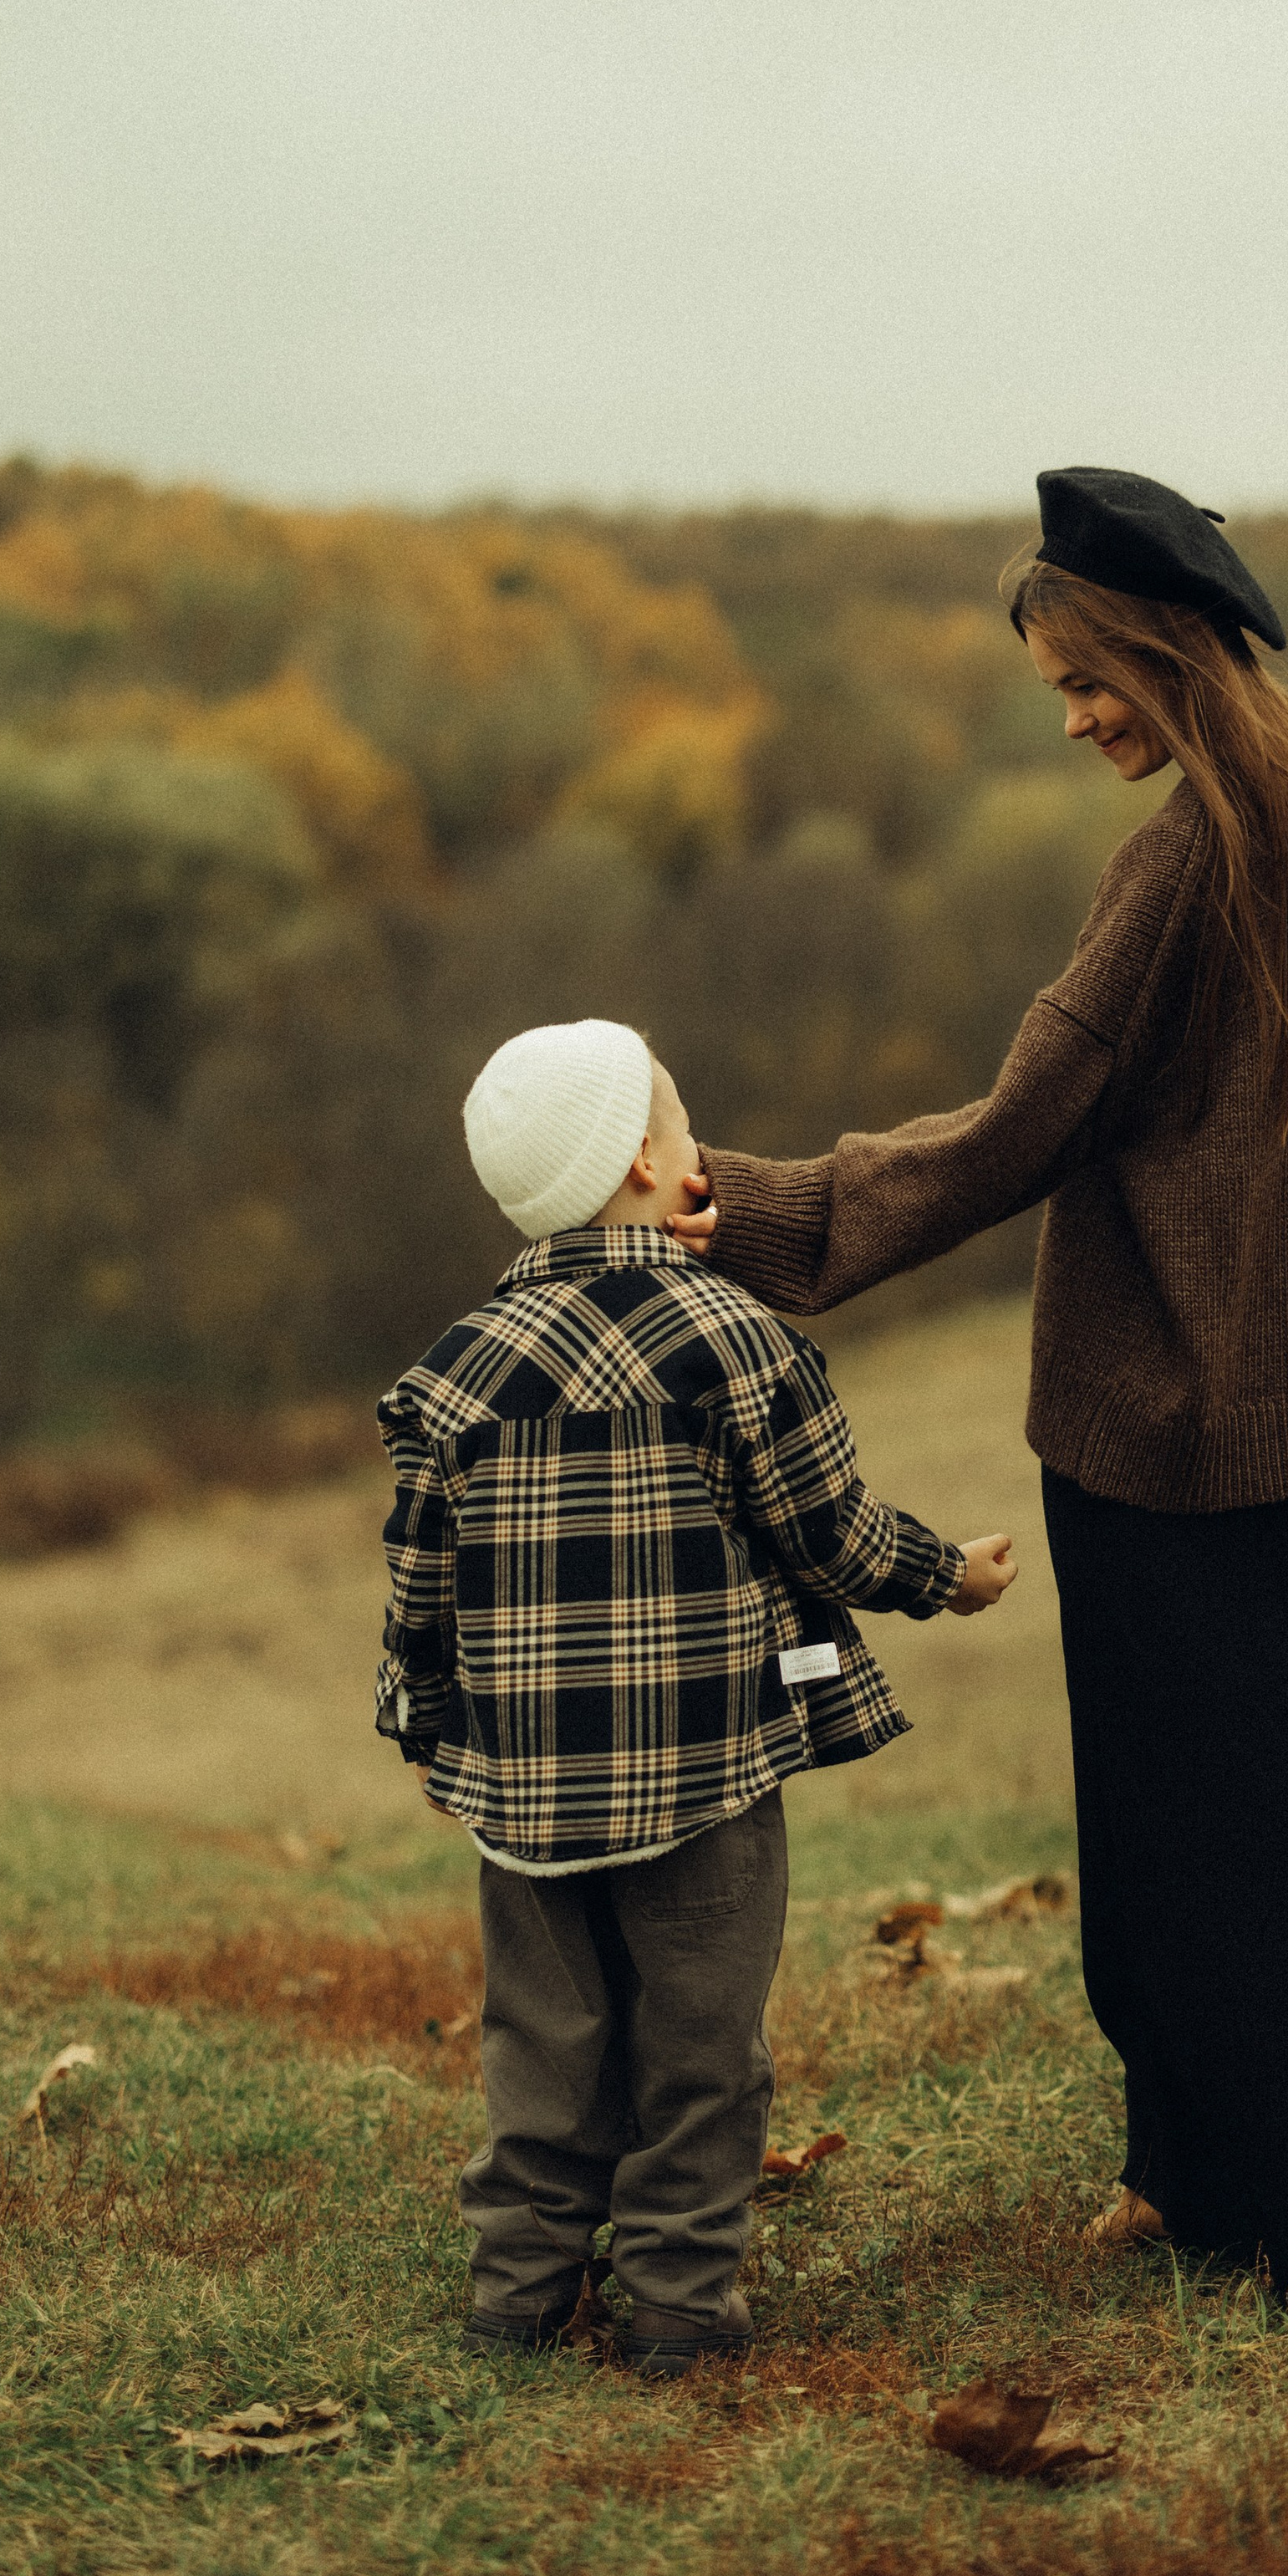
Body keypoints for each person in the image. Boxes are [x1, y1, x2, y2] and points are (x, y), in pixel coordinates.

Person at [671, 466, 1288, 2302]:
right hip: (1285, 1414)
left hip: (1161, 1423)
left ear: (1160, 646)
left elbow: (1013, 1133)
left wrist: (748, 1210)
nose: (1069, 720)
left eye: (1082, 679)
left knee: (1192, 1844)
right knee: (1262, 1810)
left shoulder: (1186, 859)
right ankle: (1203, 2172)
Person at [375, 1015, 1017, 2370]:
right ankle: (675, 2304)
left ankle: (522, 2294)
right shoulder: (736, 1343)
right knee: (702, 2043)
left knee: (543, 2041)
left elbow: (420, 1588)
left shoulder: (456, 1373)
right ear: (649, 1171)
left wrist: (428, 1729)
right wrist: (944, 1574)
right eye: (677, 1126)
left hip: (529, 1794)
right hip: (706, 1779)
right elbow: (828, 1532)